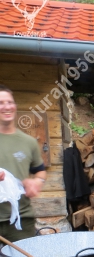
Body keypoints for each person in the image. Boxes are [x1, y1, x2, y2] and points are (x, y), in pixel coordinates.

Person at [0, 84, 46, 242]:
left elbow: (40, 171)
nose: (6, 107)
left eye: (10, 102)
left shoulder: (29, 142)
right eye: (1, 103)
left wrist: (37, 182)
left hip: (21, 220)